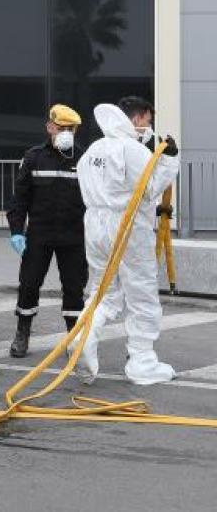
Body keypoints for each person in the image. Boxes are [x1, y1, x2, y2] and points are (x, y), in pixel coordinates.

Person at [77, 97, 180, 385]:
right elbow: (149, 189)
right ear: (137, 118)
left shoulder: (95, 148)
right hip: (126, 225)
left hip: (95, 224)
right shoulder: (132, 150)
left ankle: (82, 340)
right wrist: (170, 160)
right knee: (141, 292)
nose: (149, 127)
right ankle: (142, 361)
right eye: (148, 121)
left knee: (102, 291)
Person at [4, 104, 87, 358]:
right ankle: (22, 333)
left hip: (73, 237)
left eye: (69, 129)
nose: (64, 133)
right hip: (39, 236)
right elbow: (19, 200)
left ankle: (73, 339)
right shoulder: (34, 157)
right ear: (49, 127)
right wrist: (17, 231)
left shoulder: (84, 159)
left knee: (74, 289)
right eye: (60, 128)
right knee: (29, 285)